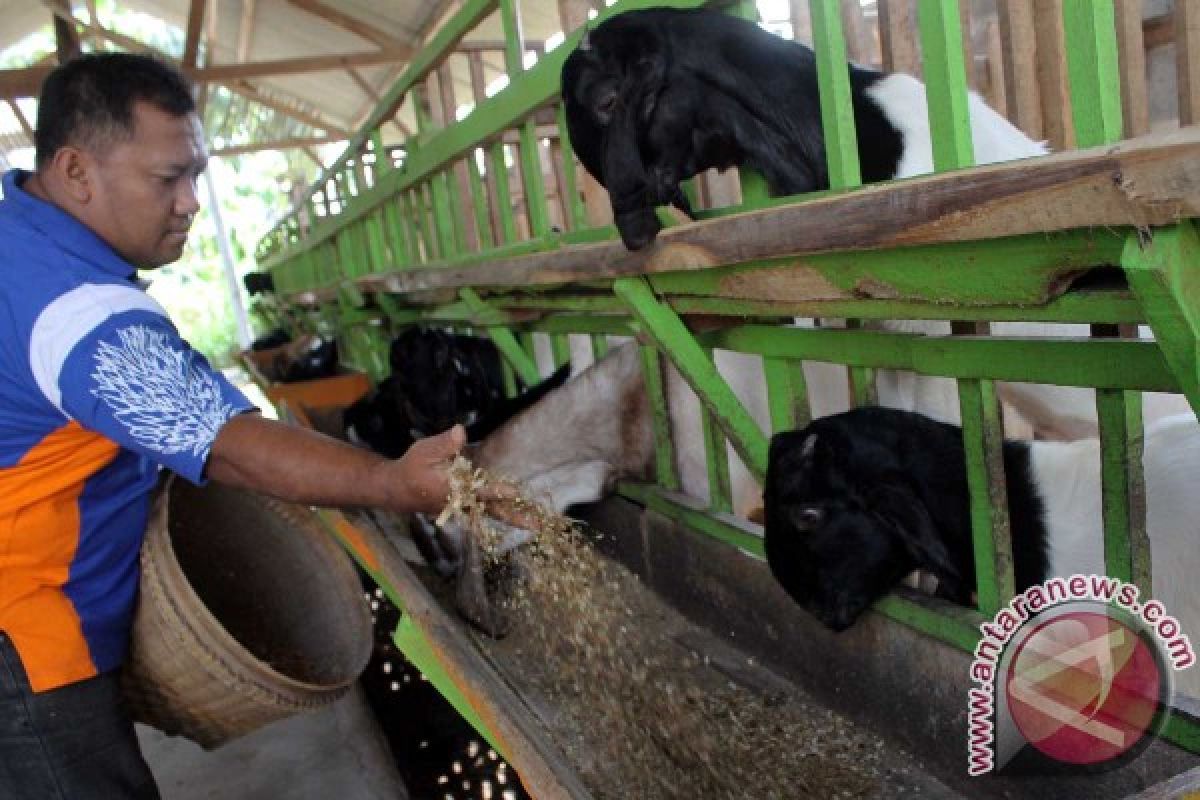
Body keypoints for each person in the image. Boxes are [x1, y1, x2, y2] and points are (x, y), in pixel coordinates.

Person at [0, 53, 485, 799]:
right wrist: (391, 482)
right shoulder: (78, 311)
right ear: (75, 171)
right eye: (168, 179)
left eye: (197, 174)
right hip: (26, 638)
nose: (192, 201)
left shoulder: (16, 243)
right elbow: (228, 446)